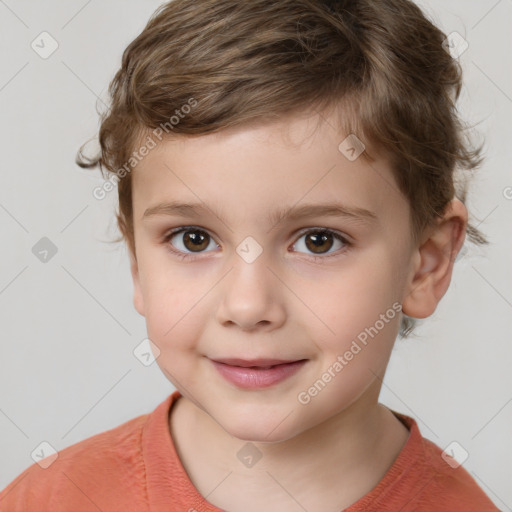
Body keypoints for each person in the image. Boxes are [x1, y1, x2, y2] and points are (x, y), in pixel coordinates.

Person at [0, 0, 500, 510]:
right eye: (194, 239)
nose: (247, 305)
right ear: (136, 261)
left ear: (427, 263)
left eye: (318, 241)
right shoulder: (49, 499)